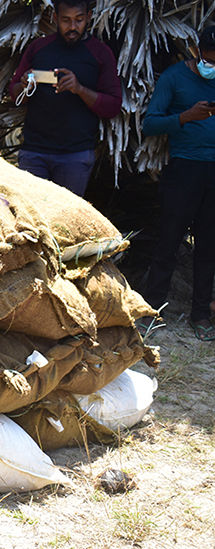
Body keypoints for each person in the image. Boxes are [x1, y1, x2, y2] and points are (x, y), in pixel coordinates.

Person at [141, 26, 215, 341]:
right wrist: (185, 117)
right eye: (210, 59)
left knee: (208, 247)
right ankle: (151, 309)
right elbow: (149, 123)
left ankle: (200, 315)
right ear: (197, 51)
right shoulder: (174, 77)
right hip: (184, 168)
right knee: (169, 242)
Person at [8, 0, 122, 197]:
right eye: (65, 20)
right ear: (54, 18)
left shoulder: (101, 53)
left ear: (89, 17)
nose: (72, 27)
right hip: (34, 152)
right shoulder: (38, 48)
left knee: (65, 221)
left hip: (75, 155)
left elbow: (113, 106)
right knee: (32, 217)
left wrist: (79, 89)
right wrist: (24, 84)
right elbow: (15, 94)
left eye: (79, 20)